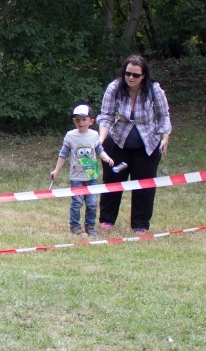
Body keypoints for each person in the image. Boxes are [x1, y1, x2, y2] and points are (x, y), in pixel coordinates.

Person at [97, 55, 172, 233]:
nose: (131, 77)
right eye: (128, 73)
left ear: (144, 75)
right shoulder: (114, 87)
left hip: (147, 147)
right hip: (117, 144)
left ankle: (140, 225)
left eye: (136, 75)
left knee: (144, 186)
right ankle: (107, 221)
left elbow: (164, 116)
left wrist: (165, 138)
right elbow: (105, 116)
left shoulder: (155, 90)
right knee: (112, 181)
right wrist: (100, 141)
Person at [50, 104, 114, 237]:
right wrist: (56, 170)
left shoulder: (94, 135)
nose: (80, 122)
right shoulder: (70, 136)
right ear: (74, 121)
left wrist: (107, 158)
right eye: (77, 119)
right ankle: (74, 226)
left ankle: (90, 226)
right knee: (77, 202)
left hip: (91, 176)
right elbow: (63, 154)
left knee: (92, 203)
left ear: (91, 121)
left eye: (84, 119)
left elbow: (99, 150)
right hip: (76, 177)